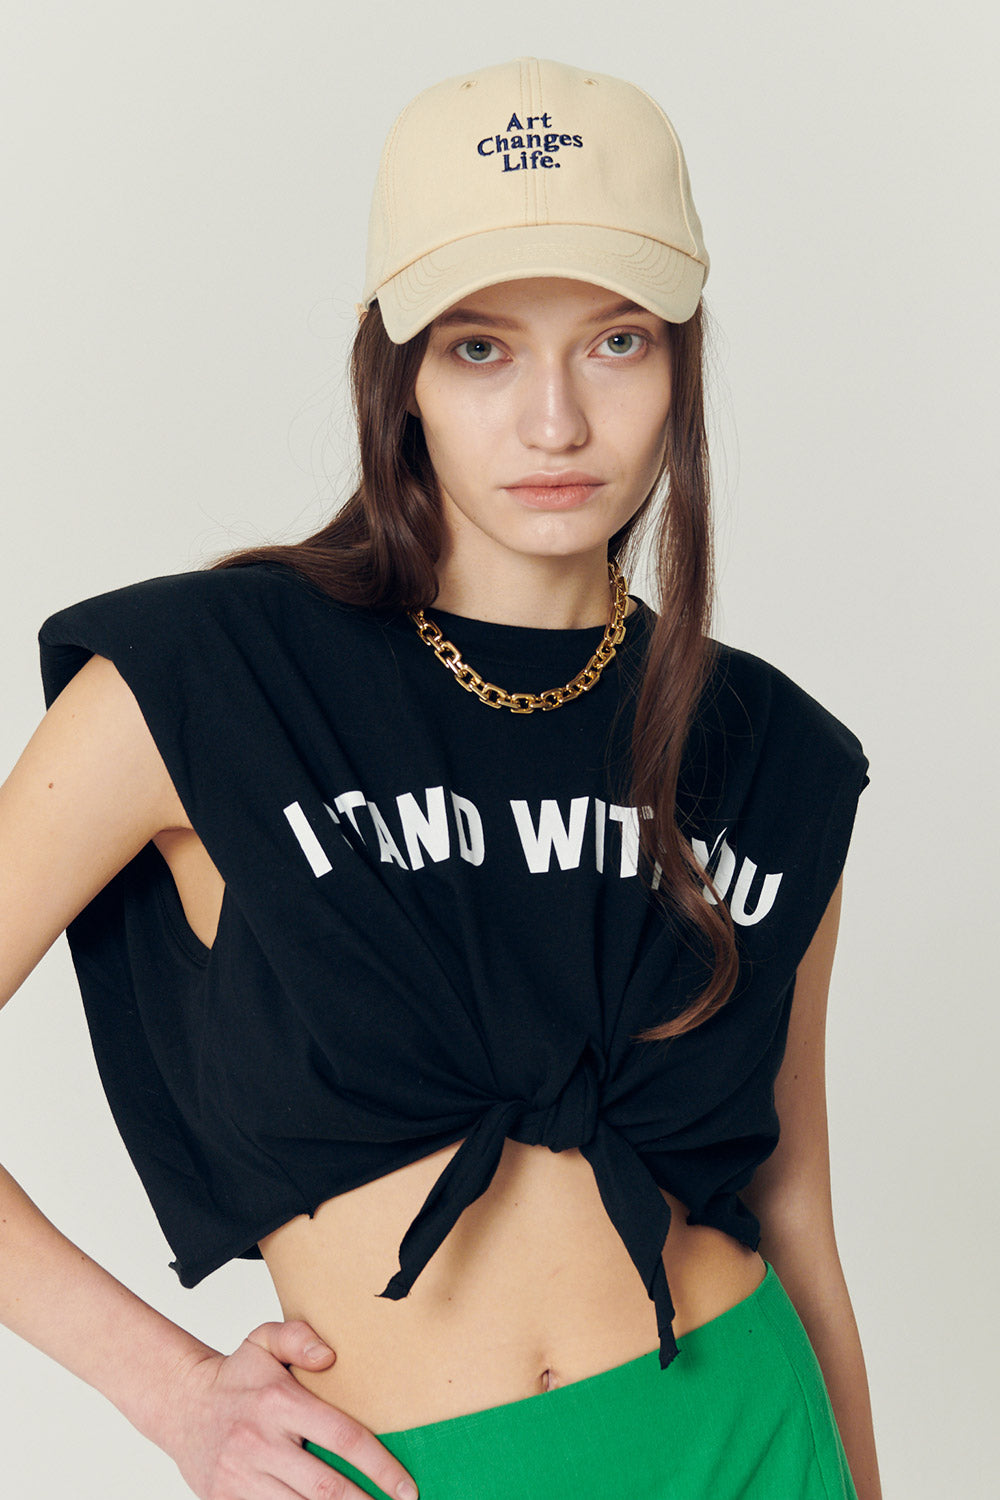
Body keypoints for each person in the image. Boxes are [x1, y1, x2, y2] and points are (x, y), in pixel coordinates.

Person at [0, 56, 881, 1500]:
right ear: (395, 367)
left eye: (616, 342)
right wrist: (169, 1390)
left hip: (750, 1445)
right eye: (481, 348)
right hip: (404, 1472)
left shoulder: (769, 748)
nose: (555, 422)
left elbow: (793, 1211)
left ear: (682, 360)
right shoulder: (209, 680)